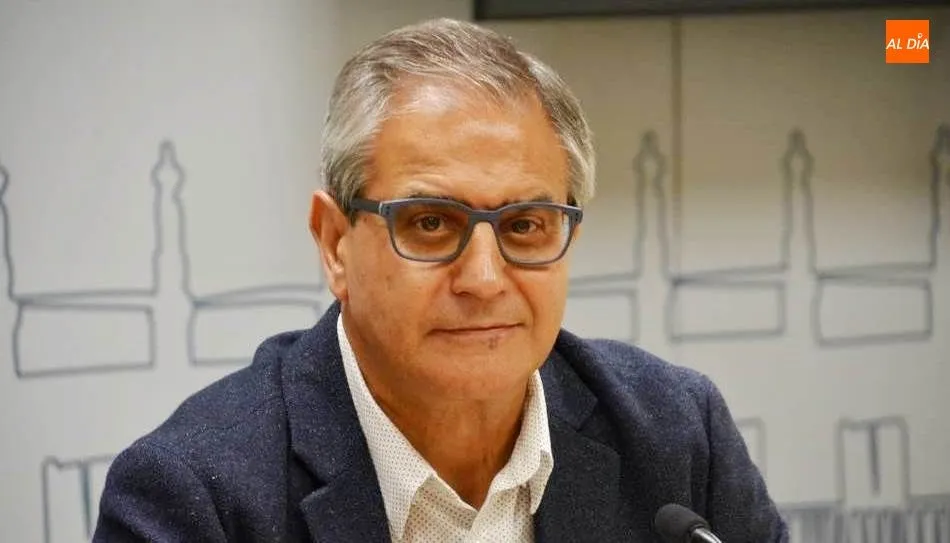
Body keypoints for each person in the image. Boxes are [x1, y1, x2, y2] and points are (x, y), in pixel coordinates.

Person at [94, 18, 788, 542]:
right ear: (335, 243)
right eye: (430, 223)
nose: (484, 279)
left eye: (525, 224)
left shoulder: (676, 434)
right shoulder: (195, 496)